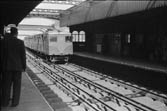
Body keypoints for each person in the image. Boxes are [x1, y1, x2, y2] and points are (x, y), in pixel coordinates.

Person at [1, 26, 26, 107]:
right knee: (17, 86)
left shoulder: (3, 42)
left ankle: (5, 102)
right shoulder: (20, 42)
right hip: (18, 68)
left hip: (7, 68)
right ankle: (15, 103)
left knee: (6, 86)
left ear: (10, 33)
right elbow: (23, 56)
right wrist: (24, 67)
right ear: (16, 34)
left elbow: (1, 55)